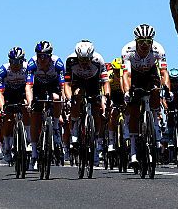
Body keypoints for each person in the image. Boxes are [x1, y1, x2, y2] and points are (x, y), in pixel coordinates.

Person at [121, 23, 170, 167]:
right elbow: (126, 75)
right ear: (136, 41)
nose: (144, 45)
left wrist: (167, 88)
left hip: (150, 74)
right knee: (134, 111)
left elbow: (163, 72)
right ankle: (134, 152)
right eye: (141, 41)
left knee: (155, 90)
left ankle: (154, 123)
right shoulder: (128, 50)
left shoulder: (158, 50)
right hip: (134, 76)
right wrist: (127, 92)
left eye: (148, 41)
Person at [63, 40, 109, 155]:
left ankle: (96, 138)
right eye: (81, 59)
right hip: (78, 82)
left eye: (86, 59)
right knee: (77, 96)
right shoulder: (70, 60)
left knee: (96, 111)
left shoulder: (98, 60)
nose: (84, 62)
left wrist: (106, 95)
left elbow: (105, 82)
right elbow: (67, 84)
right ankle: (74, 133)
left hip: (93, 83)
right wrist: (69, 99)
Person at [26, 40, 65, 170]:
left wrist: (64, 99)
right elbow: (28, 86)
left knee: (56, 98)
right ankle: (34, 153)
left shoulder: (58, 63)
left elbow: (63, 86)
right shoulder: (31, 64)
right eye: (39, 56)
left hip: (52, 85)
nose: (42, 59)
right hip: (38, 87)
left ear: (50, 56)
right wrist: (30, 102)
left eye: (45, 56)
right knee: (35, 116)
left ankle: (54, 126)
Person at [0, 47, 29, 162]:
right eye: (12, 61)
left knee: (26, 107)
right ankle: (7, 146)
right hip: (9, 94)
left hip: (22, 92)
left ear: (23, 60)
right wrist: (2, 108)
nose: (15, 64)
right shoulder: (3, 70)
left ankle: (28, 138)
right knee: (8, 119)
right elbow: (0, 93)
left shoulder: (27, 68)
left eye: (18, 61)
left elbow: (31, 87)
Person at [106, 58, 127, 154]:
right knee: (112, 114)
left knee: (128, 111)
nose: (118, 72)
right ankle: (111, 141)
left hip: (123, 95)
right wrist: (108, 102)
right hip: (113, 95)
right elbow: (106, 91)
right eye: (116, 70)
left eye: (119, 70)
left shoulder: (125, 75)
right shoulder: (109, 76)